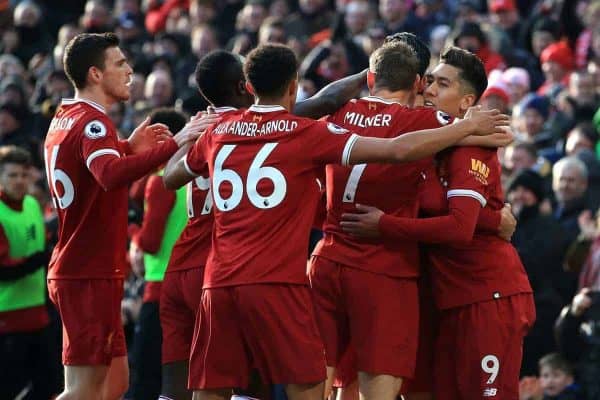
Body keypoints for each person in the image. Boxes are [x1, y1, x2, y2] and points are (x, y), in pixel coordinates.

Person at [162, 43, 507, 400]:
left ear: (250, 88)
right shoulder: (307, 132)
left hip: (241, 277)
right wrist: (468, 127)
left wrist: (185, 137)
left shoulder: (223, 130)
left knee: (216, 388)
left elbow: (170, 176)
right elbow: (400, 149)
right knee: (322, 386)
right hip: (338, 274)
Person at [159, 48, 374, 400]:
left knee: (184, 384)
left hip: (185, 266)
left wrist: (179, 139)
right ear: (243, 87)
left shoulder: (204, 127)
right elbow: (326, 100)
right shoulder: (269, 124)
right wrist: (372, 72)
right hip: (237, 263)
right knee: (258, 381)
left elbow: (169, 176)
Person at [309, 40, 513, 400]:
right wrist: (471, 126)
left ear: (371, 77)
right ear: (418, 82)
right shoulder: (426, 124)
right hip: (384, 270)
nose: (432, 90)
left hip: (327, 260)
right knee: (379, 387)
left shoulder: (336, 114)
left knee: (321, 381)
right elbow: (496, 133)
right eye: (430, 82)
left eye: (442, 84)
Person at [43, 32, 204, 400]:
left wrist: (128, 147)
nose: (130, 71)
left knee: (116, 385)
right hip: (87, 273)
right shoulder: (93, 123)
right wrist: (173, 145)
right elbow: (110, 176)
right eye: (120, 63)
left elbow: (91, 171)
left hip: (89, 270)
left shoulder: (66, 117)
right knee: (83, 391)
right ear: (96, 74)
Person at [129, 109, 190, 400]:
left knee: (146, 377)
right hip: (198, 285)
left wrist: (131, 232)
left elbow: (150, 243)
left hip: (162, 288)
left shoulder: (162, 180)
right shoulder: (201, 173)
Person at [0, 145, 59, 399]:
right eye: (12, 175)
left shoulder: (34, 205)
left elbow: (43, 246)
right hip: (6, 320)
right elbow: (4, 270)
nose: (19, 181)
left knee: (51, 385)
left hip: (38, 315)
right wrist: (42, 257)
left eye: (23, 175)